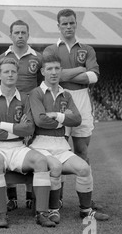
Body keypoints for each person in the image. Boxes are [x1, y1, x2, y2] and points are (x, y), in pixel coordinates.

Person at [28, 54, 109, 222]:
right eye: (49, 69)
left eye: (57, 68)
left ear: (61, 71)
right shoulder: (36, 93)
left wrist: (56, 115)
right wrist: (64, 118)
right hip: (40, 145)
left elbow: (77, 119)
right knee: (55, 167)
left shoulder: (66, 95)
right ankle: (53, 209)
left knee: (84, 168)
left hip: (61, 144)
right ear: (43, 71)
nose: (54, 72)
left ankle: (86, 211)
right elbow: (40, 120)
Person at [0, 57, 56, 228]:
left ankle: (41, 213)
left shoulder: (25, 98)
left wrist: (2, 125)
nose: (10, 75)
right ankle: (1, 214)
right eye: (6, 72)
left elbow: (29, 129)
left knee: (41, 161)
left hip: (17, 146)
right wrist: (17, 127)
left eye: (13, 72)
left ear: (17, 75)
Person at [43, 9, 102, 210]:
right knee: (58, 151)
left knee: (82, 152)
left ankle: (85, 203)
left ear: (76, 24)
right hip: (58, 99)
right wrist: (80, 69)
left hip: (82, 100)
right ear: (58, 26)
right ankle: (56, 199)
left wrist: (64, 74)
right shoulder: (51, 50)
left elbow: (94, 77)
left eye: (71, 23)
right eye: (64, 24)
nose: (68, 27)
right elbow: (54, 76)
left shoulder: (87, 49)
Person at [0, 20, 43, 212]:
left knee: (31, 148)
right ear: (11, 35)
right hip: (7, 105)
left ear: (28, 34)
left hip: (29, 107)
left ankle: (32, 196)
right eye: (17, 32)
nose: (20, 36)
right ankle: (12, 197)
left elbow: (41, 85)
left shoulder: (37, 58)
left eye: (24, 32)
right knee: (8, 148)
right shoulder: (1, 57)